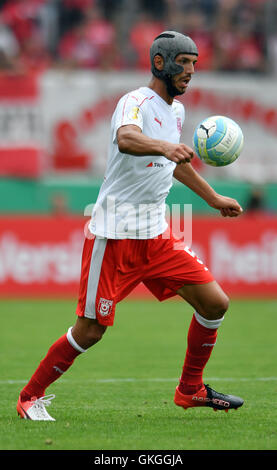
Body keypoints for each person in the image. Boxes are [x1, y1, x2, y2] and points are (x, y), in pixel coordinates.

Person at [17, 31, 244, 421]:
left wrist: (213, 198)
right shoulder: (134, 102)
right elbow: (126, 139)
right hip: (115, 235)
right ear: (160, 63)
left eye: (194, 63)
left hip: (156, 235)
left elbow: (177, 162)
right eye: (183, 62)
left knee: (215, 303)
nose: (190, 71)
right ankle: (29, 397)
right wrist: (165, 147)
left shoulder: (175, 112)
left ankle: (190, 389)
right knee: (90, 331)